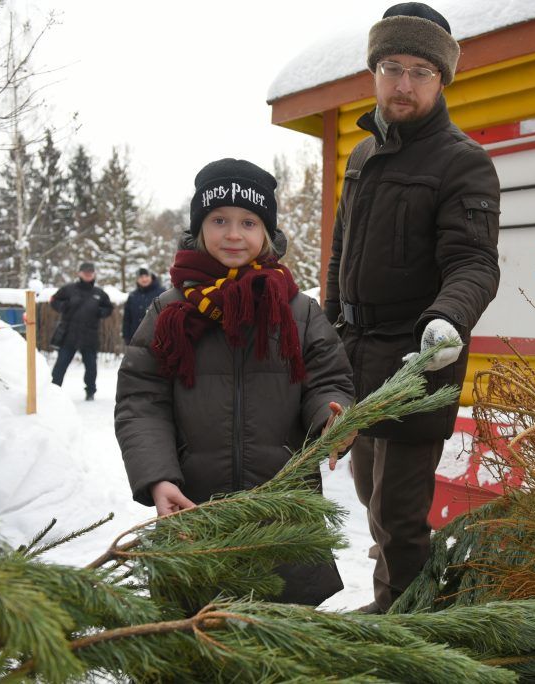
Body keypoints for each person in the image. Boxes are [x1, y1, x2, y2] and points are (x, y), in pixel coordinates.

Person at [323, 2, 501, 613]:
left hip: (417, 362)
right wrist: (324, 336)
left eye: (421, 71)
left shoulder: (462, 161)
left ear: (442, 79)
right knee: (373, 502)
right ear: (374, 72)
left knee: (400, 517)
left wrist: (447, 319)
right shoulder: (362, 158)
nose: (404, 84)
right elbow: (339, 257)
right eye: (392, 67)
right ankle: (393, 607)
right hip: (356, 359)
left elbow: (475, 263)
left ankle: (411, 630)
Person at [115, 158, 355, 606]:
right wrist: (158, 478)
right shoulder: (168, 312)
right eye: (218, 219)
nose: (232, 233)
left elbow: (328, 381)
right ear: (198, 228)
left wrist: (330, 418)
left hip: (283, 511)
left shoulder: (298, 311)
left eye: (248, 221)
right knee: (194, 636)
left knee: (283, 645)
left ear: (266, 233)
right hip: (194, 508)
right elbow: (140, 402)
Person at [50, 261, 114, 401]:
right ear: (79, 273)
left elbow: (109, 308)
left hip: (90, 335)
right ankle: (53, 390)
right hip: (69, 335)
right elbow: (54, 300)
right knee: (61, 365)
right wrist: (63, 306)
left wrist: (100, 312)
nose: (87, 275)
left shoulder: (99, 293)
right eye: (85, 272)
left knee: (91, 367)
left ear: (94, 274)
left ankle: (90, 392)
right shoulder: (68, 289)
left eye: (90, 273)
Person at [122, 267, 164, 345]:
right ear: (137, 279)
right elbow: (127, 319)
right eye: (141, 277)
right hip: (136, 339)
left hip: (157, 339)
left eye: (146, 276)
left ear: (151, 276)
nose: (144, 279)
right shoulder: (132, 296)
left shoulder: (162, 293)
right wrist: (126, 337)